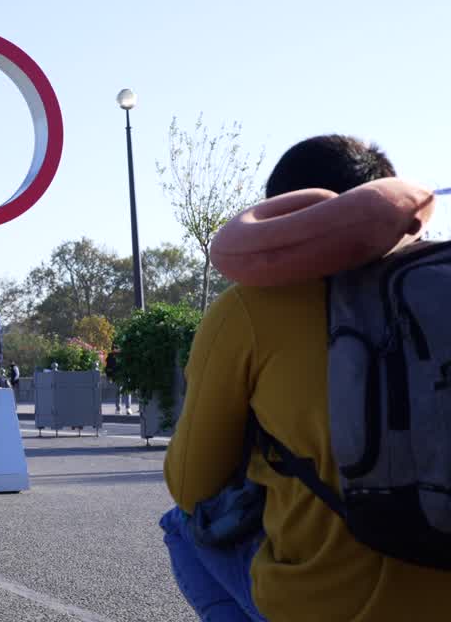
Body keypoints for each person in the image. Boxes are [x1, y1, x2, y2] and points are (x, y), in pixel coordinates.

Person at [160, 135, 449, 620]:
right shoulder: (440, 286)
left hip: (328, 602)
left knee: (179, 526)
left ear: (279, 215)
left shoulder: (249, 309)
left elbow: (191, 484)